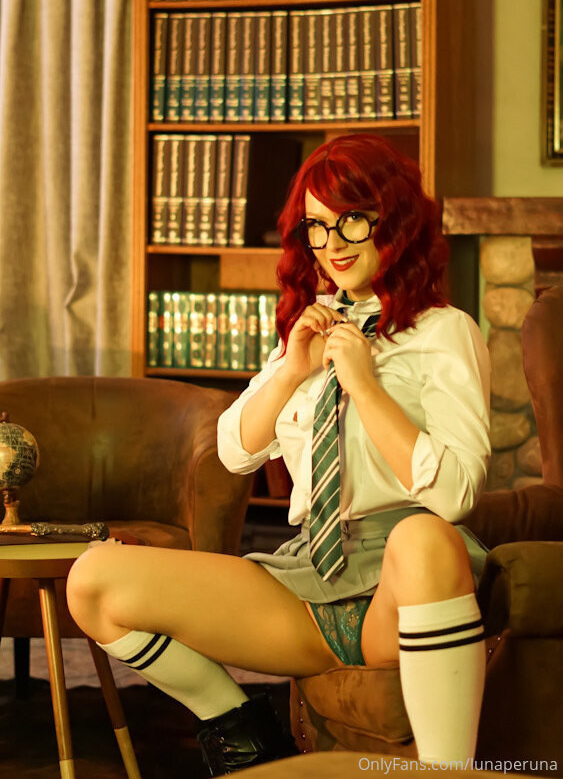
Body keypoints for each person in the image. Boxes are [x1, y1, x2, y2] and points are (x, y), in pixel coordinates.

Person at [67, 134, 491, 776]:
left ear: (396, 220)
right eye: (317, 226)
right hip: (305, 582)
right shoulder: (311, 329)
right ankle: (246, 736)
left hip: (401, 585)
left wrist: (367, 387)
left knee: (424, 536)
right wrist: (293, 369)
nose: (333, 243)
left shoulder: (445, 332)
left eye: (352, 218)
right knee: (94, 578)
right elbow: (234, 452)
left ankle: (448, 772)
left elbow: (456, 494)